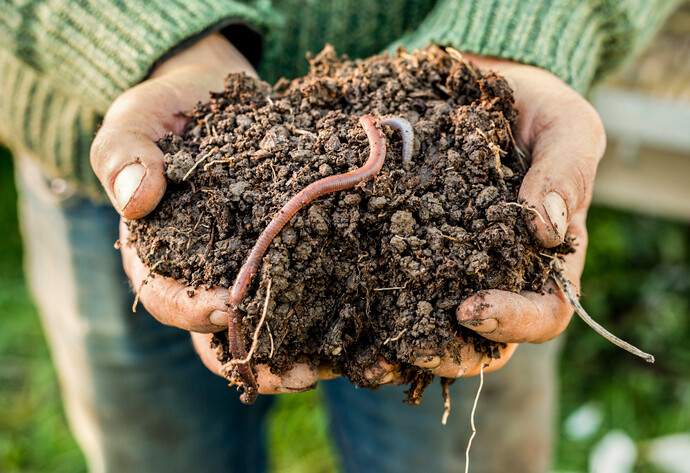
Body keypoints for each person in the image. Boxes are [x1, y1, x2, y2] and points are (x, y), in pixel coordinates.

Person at [0, 1, 679, 472]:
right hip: (144, 163)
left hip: (472, 203)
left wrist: (533, 26)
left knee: (457, 369)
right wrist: (146, 34)